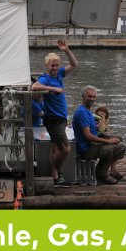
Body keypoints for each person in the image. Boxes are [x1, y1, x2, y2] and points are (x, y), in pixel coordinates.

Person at [31, 39, 78, 187]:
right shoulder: (45, 77)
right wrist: (53, 89)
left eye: (57, 65)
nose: (55, 68)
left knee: (55, 147)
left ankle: (54, 175)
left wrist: (66, 50)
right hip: (53, 119)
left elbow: (74, 64)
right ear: (47, 66)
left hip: (62, 117)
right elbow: (35, 86)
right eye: (52, 66)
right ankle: (60, 172)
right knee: (66, 148)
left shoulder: (59, 75)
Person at [72, 86, 126, 184]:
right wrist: (108, 141)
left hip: (92, 142)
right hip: (86, 148)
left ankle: (112, 170)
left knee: (118, 138)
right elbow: (88, 136)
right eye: (89, 96)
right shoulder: (82, 113)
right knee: (119, 147)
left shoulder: (87, 111)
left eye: (94, 97)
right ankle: (101, 173)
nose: (92, 99)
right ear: (83, 97)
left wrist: (104, 132)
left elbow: (93, 130)